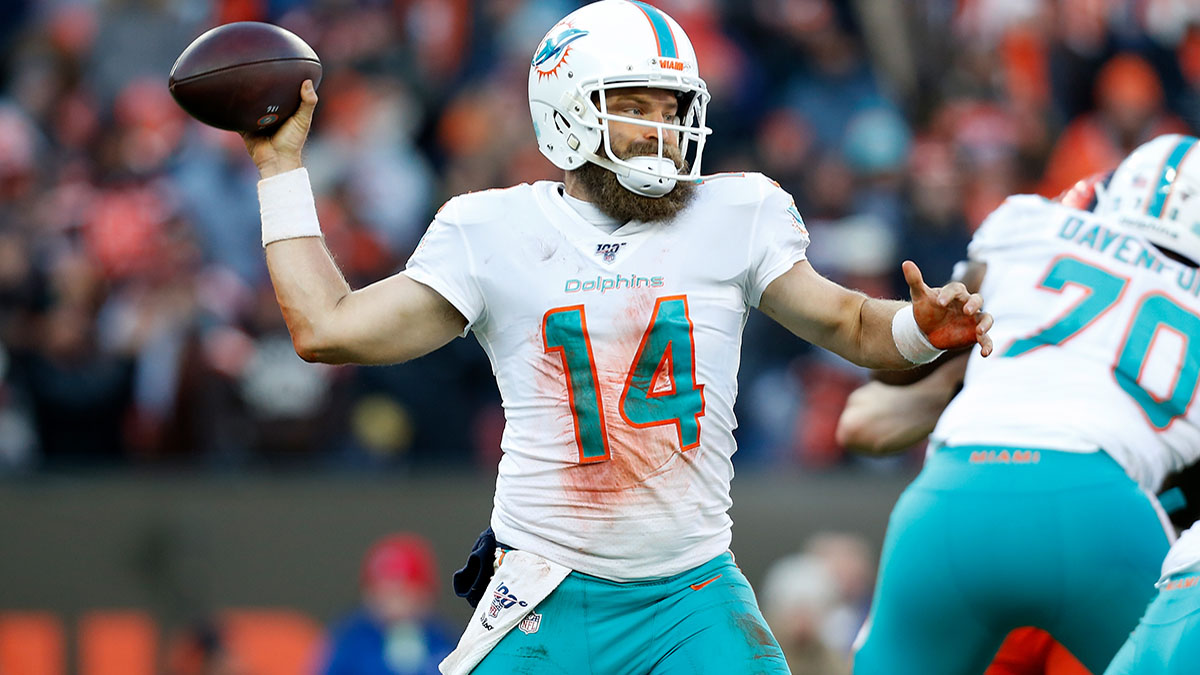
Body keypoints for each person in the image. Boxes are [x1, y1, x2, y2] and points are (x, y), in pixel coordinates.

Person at [241, 2, 990, 672]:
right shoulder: (493, 231)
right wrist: (279, 168)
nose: (663, 129)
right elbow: (326, 327)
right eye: (634, 105)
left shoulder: (738, 213)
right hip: (548, 585)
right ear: (565, 113)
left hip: (691, 592)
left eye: (673, 106)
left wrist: (918, 328)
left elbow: (851, 324)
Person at [838, 135, 1200, 674]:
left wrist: (950, 371)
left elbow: (870, 407)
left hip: (951, 497)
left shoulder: (1027, 228)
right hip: (1105, 516)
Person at [317, 534, 456, 675]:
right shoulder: (349, 641)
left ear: (425, 594)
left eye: (402, 593)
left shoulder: (444, 640)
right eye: (381, 592)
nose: (392, 604)